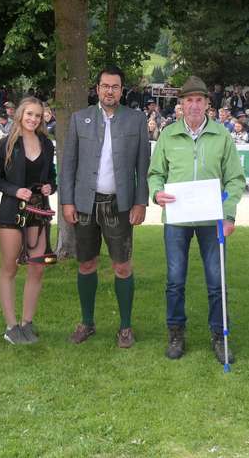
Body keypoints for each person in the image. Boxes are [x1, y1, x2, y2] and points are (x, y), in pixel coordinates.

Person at [147, 75, 246, 364]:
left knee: (216, 281)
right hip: (176, 218)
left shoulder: (221, 135)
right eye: (188, 100)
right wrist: (156, 193)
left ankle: (219, 335)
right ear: (180, 104)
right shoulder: (167, 135)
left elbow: (235, 179)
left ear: (207, 104)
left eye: (198, 100)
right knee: (175, 280)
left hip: (212, 219)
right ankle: (176, 332)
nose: (193, 105)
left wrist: (228, 215)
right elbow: (155, 174)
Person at [59, 66, 150, 348]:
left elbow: (142, 166)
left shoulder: (136, 120)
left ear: (122, 90)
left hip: (119, 205)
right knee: (86, 264)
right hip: (85, 204)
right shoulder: (79, 119)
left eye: (115, 86)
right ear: (97, 89)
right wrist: (67, 201)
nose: (109, 91)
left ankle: (125, 327)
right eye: (105, 86)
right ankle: (87, 322)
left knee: (122, 266)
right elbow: (68, 164)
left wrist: (140, 201)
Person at [0, 97, 57, 344]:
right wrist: (14, 190)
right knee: (10, 267)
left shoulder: (46, 143)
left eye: (38, 116)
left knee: (37, 267)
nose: (34, 119)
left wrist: (52, 185)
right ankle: (11, 326)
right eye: (29, 114)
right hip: (12, 210)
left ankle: (27, 322)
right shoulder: (7, 143)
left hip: (38, 211)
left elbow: (51, 175)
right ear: (20, 114)